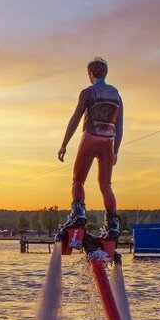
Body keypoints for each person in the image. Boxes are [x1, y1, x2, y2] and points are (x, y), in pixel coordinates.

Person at [57, 57, 123, 239]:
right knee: (106, 185)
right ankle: (112, 225)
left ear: (90, 74)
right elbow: (120, 126)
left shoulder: (88, 92)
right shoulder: (117, 96)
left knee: (78, 180)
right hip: (108, 141)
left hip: (90, 138)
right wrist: (115, 150)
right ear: (106, 73)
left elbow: (75, 119)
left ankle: (78, 215)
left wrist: (64, 144)